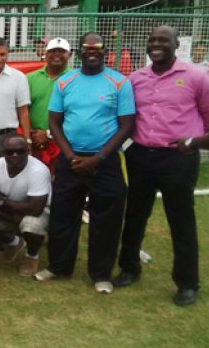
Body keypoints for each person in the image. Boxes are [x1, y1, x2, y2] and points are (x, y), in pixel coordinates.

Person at [114, 26, 209, 306]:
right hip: (140, 156)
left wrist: (193, 140)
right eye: (152, 40)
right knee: (135, 216)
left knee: (181, 221)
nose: (157, 44)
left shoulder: (197, 78)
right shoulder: (135, 79)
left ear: (177, 45)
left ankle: (187, 283)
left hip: (178, 158)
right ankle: (129, 268)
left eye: (164, 40)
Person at [35, 32, 135, 295]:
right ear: (79, 52)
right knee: (63, 215)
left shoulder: (119, 82)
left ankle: (101, 274)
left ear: (105, 51)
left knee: (106, 219)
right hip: (71, 159)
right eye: (87, 47)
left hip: (105, 161)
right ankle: (58, 266)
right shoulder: (65, 82)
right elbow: (54, 122)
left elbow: (126, 126)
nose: (93, 51)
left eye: (98, 47)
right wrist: (69, 157)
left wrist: (98, 158)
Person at [0, 134, 51, 277]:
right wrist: (11, 217)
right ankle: (15, 242)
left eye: (20, 151)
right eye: (10, 152)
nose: (15, 155)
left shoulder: (39, 170)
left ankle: (32, 256)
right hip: (9, 212)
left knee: (31, 226)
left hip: (36, 212)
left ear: (28, 151)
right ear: (3, 153)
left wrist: (2, 201)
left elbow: (36, 208)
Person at [27, 38, 71, 172]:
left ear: (69, 54)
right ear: (45, 53)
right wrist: (30, 135)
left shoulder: (75, 79)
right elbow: (22, 109)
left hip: (63, 142)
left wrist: (48, 134)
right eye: (52, 51)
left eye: (61, 51)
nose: (56, 54)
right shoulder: (30, 78)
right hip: (33, 140)